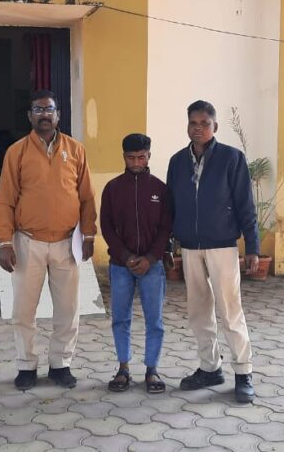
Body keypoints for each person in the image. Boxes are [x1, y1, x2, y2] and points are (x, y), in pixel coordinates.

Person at [0, 90, 97, 390]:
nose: (44, 114)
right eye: (38, 110)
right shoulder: (17, 152)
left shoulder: (75, 150)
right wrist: (5, 242)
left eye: (49, 109)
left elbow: (87, 197)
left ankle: (60, 364)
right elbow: (5, 200)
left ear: (58, 115)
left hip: (67, 243)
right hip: (28, 242)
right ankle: (26, 365)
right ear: (30, 116)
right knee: (23, 311)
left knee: (68, 309)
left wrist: (89, 234)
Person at [166, 99, 259, 403]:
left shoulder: (232, 158)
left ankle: (243, 373)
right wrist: (169, 244)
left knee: (230, 310)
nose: (198, 128)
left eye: (204, 123)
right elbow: (170, 207)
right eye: (193, 123)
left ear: (215, 126)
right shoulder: (177, 162)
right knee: (198, 311)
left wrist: (252, 247)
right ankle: (210, 368)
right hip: (190, 248)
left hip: (222, 246)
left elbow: (246, 205)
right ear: (187, 126)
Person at [100, 133, 172, 394]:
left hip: (152, 266)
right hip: (121, 266)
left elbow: (166, 228)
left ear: (149, 156)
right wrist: (126, 257)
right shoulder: (112, 188)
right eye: (131, 158)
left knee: (155, 321)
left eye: (141, 157)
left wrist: (150, 258)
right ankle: (123, 369)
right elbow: (106, 227)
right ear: (124, 157)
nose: (136, 163)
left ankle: (152, 370)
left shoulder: (160, 189)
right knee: (120, 318)